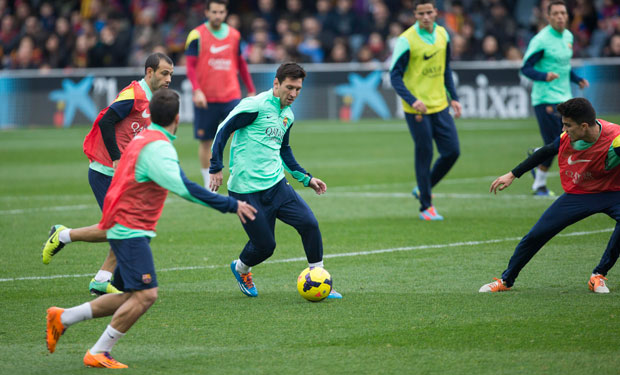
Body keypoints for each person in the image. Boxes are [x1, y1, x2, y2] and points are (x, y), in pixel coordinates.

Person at [45, 89, 257, 368]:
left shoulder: (141, 137)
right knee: (147, 295)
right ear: (178, 118)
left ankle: (63, 318)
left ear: (150, 115)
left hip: (124, 224)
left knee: (129, 296)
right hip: (128, 229)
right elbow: (185, 188)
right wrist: (230, 204)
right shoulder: (158, 147)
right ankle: (98, 351)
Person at [41, 53, 174, 296]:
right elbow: (106, 121)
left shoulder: (153, 99)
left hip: (125, 175)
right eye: (164, 73)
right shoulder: (134, 94)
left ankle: (103, 278)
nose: (168, 79)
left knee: (131, 227)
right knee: (122, 227)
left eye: (171, 75)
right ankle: (64, 236)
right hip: (105, 171)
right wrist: (116, 156)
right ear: (149, 72)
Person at [209, 62, 341, 299]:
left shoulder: (288, 115)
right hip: (246, 191)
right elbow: (223, 129)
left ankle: (319, 279)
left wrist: (307, 178)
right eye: (289, 87)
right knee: (265, 247)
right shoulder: (255, 106)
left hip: (276, 185)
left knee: (309, 224)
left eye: (298, 89)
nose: (293, 94)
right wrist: (215, 167)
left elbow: (284, 149)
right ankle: (241, 268)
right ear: (276, 84)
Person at [480, 98, 620, 294]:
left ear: (584, 126)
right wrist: (512, 174)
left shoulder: (616, 139)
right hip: (579, 195)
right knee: (536, 235)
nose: (564, 129)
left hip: (613, 193)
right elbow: (545, 151)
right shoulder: (566, 139)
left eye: (567, 125)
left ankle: (598, 275)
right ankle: (506, 280)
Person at [389, 0, 461, 221]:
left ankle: (423, 187)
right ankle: (426, 207)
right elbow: (394, 75)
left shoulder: (443, 35)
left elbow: (445, 68)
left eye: (429, 12)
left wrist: (454, 98)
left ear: (436, 13)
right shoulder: (406, 40)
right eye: (421, 13)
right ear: (415, 15)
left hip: (440, 104)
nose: (426, 17)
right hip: (416, 109)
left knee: (452, 151)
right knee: (425, 152)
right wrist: (412, 100)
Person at [521, 0, 589, 196]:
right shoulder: (541, 40)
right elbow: (526, 68)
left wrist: (577, 79)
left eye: (563, 13)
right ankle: (545, 179)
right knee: (560, 141)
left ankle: (539, 181)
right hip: (545, 98)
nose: (560, 16)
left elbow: (564, 66)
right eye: (556, 13)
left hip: (565, 97)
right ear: (548, 17)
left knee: (564, 141)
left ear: (567, 16)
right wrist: (544, 76)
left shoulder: (568, 36)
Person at [185, 0, 256, 189]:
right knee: (206, 141)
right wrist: (197, 90)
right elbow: (190, 66)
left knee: (241, 135)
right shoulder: (197, 35)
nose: (217, 15)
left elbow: (241, 64)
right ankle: (209, 184)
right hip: (205, 98)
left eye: (221, 12)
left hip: (231, 96)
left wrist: (250, 89)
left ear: (225, 13)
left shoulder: (234, 35)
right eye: (214, 11)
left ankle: (241, 176)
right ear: (207, 12)